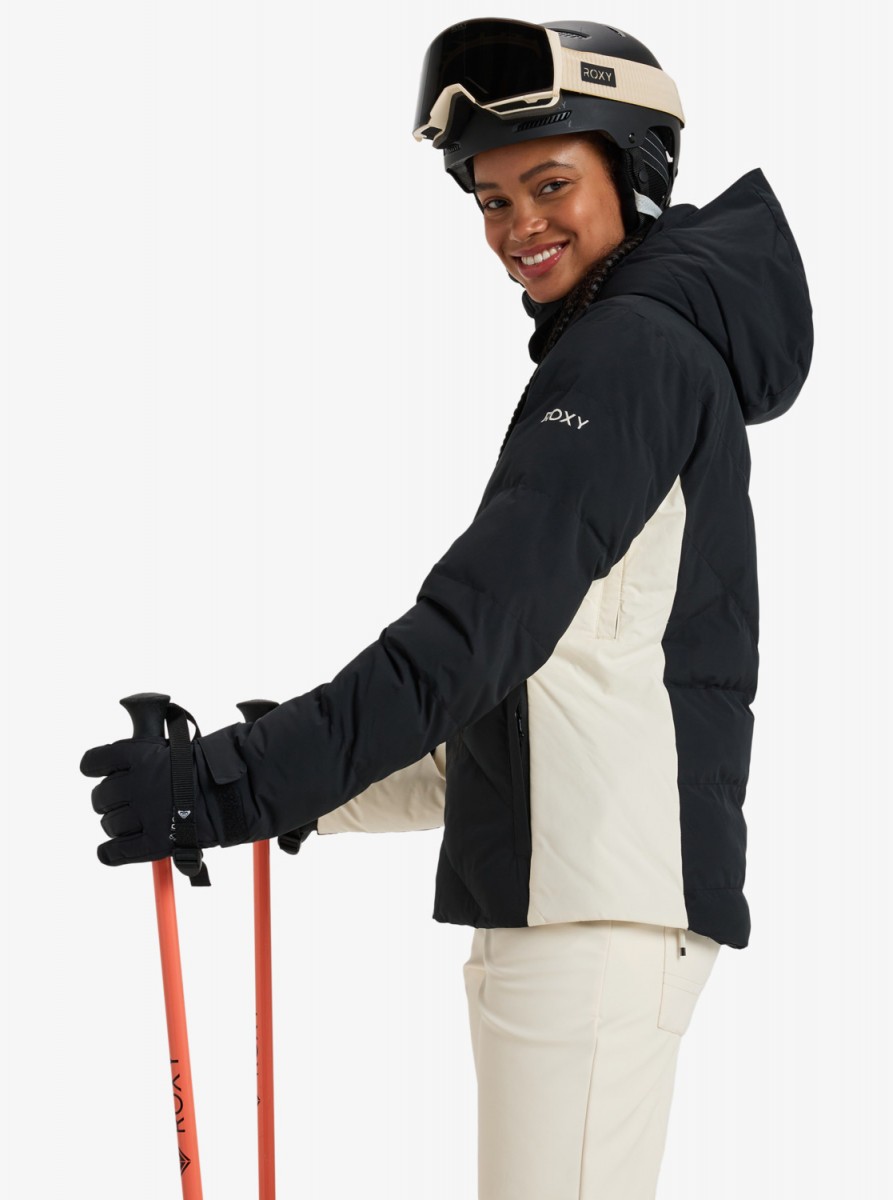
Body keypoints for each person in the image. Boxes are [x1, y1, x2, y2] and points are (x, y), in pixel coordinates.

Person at [81, 17, 814, 1199]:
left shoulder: (629, 354)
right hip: (577, 914)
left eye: (550, 185)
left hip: (589, 928)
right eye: (490, 200)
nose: (519, 226)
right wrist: (304, 792)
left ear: (632, 172)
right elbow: (528, 711)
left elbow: (469, 639)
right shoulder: (639, 352)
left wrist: (234, 781)